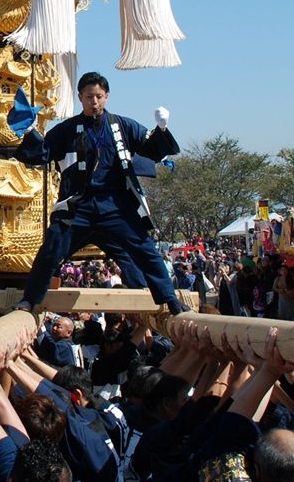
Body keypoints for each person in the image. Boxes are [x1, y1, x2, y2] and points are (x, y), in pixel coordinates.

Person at [12, 71, 185, 314]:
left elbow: (149, 147)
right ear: (80, 98)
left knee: (146, 249)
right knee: (52, 249)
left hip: (116, 205)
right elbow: (43, 154)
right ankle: (30, 299)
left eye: (99, 96)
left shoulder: (122, 125)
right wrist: (30, 132)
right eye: (89, 97)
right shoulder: (66, 130)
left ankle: (170, 299)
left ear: (107, 97)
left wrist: (162, 130)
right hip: (79, 205)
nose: (95, 102)